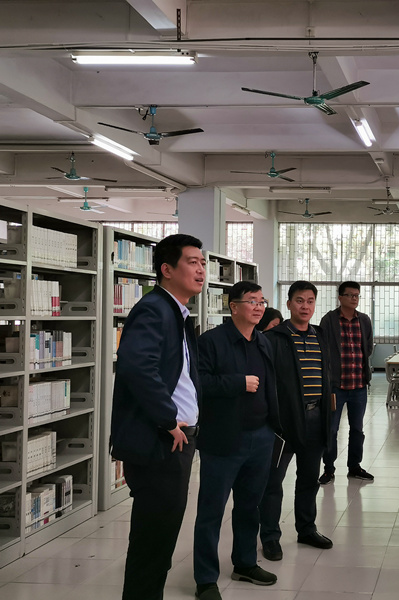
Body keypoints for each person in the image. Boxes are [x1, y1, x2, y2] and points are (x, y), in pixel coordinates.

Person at [110, 233, 206, 600]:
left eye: (202, 263)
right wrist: (168, 419)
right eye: (192, 262)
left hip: (175, 440)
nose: (201, 270)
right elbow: (136, 366)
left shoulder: (176, 312)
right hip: (160, 441)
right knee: (153, 543)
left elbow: (178, 375)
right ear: (167, 269)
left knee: (161, 538)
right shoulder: (154, 309)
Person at [193, 281, 282, 600]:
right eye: (252, 301)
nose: (259, 307)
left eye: (262, 301)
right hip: (223, 439)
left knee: (249, 506)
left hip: (261, 437)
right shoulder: (211, 341)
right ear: (233, 307)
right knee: (211, 511)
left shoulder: (263, 341)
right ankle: (205, 579)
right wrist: (237, 383)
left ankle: (244, 563)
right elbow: (198, 383)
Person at [258, 280, 334, 561]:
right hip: (283, 423)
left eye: (310, 301)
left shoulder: (320, 335)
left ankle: (306, 529)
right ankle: (270, 536)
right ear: (289, 304)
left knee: (309, 479)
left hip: (316, 418)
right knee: (273, 482)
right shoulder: (273, 338)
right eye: (300, 300)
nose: (305, 306)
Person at [318, 281, 374, 484]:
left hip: (359, 385)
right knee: (331, 429)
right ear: (340, 297)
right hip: (336, 386)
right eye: (350, 295)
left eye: (357, 295)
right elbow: (323, 349)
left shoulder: (364, 320)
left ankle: (354, 466)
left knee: (357, 429)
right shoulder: (329, 320)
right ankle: (329, 469)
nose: (354, 298)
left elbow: (368, 347)